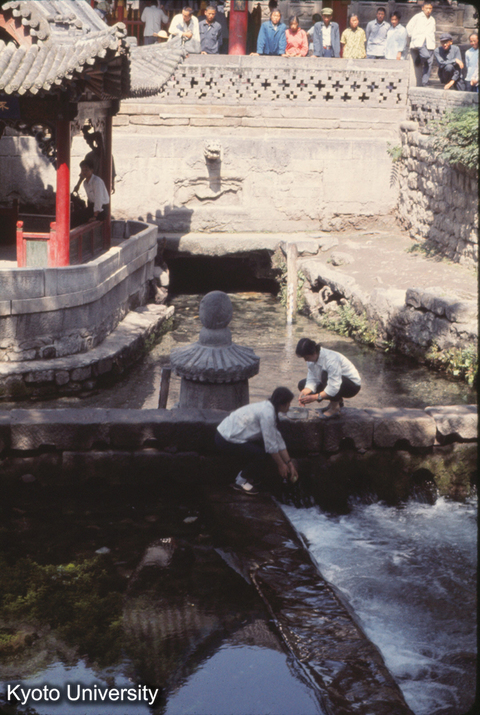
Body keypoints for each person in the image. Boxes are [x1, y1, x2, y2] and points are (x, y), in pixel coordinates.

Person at [215, 387, 299, 495]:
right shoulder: (267, 413)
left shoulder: (269, 408)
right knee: (260, 454)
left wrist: (289, 463)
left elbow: (277, 439)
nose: (290, 406)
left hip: (228, 434)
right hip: (225, 438)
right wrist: (281, 465)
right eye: (289, 403)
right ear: (283, 404)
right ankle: (240, 481)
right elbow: (271, 446)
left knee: (263, 450)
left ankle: (250, 476)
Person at [296, 338, 361, 418]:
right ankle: (336, 402)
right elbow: (313, 376)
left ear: (314, 352)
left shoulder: (331, 359)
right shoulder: (311, 359)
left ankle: (335, 407)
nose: (305, 360)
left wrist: (315, 397)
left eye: (306, 358)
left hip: (351, 386)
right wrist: (306, 390)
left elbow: (334, 386)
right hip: (336, 382)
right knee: (302, 384)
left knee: (325, 375)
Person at [406, 2, 436, 86]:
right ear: (423, 8)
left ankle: (424, 82)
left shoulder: (432, 19)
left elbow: (433, 31)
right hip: (420, 41)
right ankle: (419, 58)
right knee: (425, 56)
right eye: (426, 8)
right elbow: (408, 27)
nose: (428, 10)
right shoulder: (417, 17)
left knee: (429, 63)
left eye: (430, 8)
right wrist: (413, 37)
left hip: (429, 42)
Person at [77, 159, 109, 223]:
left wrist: (95, 216)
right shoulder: (85, 183)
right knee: (76, 215)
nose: (84, 172)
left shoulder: (97, 182)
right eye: (83, 170)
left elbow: (98, 200)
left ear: (92, 170)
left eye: (86, 170)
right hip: (93, 208)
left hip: (101, 210)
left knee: (81, 219)